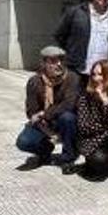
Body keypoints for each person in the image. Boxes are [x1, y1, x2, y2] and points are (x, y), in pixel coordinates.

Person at [16, 46, 82, 175]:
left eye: (61, 61)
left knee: (67, 117)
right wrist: (46, 129)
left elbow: (69, 104)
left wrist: (44, 114)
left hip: (64, 122)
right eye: (53, 61)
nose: (58, 64)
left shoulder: (72, 78)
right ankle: (45, 151)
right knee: (23, 142)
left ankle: (68, 158)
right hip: (44, 123)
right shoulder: (35, 81)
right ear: (44, 64)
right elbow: (31, 111)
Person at [53, 0, 108, 81]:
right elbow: (60, 35)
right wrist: (72, 53)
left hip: (103, 74)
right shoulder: (75, 12)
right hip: (77, 71)